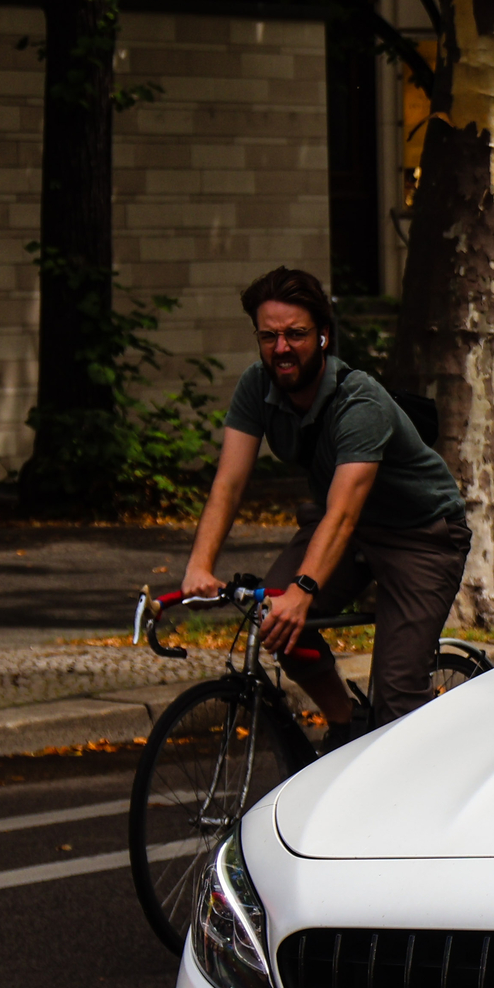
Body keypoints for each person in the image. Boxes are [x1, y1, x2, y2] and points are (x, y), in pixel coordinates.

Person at [180, 265, 469, 746]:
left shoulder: (359, 402)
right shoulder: (257, 386)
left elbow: (343, 512)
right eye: (269, 335)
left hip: (421, 535)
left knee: (397, 700)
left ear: (323, 336)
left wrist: (303, 589)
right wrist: (199, 565)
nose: (281, 347)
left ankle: (418, 797)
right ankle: (346, 725)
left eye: (295, 334)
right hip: (348, 531)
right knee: (279, 626)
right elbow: (228, 484)